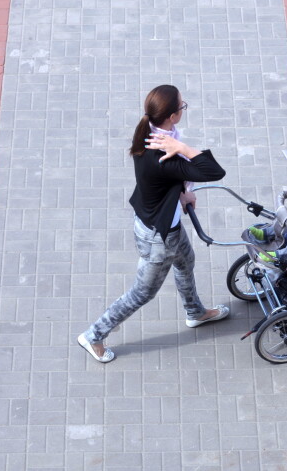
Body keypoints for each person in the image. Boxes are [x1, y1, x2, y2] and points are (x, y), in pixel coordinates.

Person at [78, 85, 229, 363]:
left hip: (161, 223)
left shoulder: (147, 130)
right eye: (183, 107)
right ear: (171, 116)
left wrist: (181, 193)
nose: (184, 109)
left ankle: (195, 312)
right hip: (159, 238)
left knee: (186, 262)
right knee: (142, 293)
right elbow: (214, 171)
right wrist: (182, 148)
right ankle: (94, 335)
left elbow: (159, 182)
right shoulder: (166, 155)